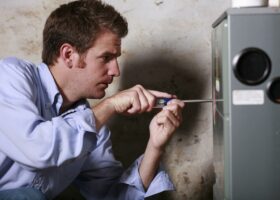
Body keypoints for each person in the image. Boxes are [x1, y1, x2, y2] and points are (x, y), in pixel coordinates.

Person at [0, 0, 184, 200]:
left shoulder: (93, 128)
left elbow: (113, 198)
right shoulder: (10, 76)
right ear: (69, 55)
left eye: (116, 59)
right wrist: (110, 105)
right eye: (106, 58)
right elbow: (37, 149)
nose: (115, 71)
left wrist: (155, 147)